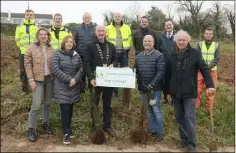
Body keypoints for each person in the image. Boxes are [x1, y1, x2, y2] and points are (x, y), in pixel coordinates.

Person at [166, 30, 215, 152]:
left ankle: (192, 144)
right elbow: (167, 75)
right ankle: (184, 139)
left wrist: (210, 85)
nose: (181, 42)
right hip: (175, 93)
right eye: (179, 40)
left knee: (189, 117)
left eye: (184, 40)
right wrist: (167, 92)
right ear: (175, 41)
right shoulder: (171, 55)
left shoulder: (195, 54)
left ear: (188, 41)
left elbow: (204, 70)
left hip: (190, 93)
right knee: (179, 117)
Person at [84, 25, 117, 137]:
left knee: (107, 104)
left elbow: (115, 60)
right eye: (99, 31)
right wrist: (91, 78)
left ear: (106, 32)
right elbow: (86, 64)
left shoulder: (111, 46)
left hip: (108, 80)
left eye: (103, 31)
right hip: (95, 81)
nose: (101, 33)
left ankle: (107, 126)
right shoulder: (90, 46)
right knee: (95, 104)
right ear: (96, 33)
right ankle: (95, 126)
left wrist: (114, 64)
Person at [51, 36, 83, 145]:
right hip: (62, 86)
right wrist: (69, 79)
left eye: (71, 42)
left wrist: (75, 79)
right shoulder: (57, 54)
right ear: (63, 43)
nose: (69, 44)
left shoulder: (76, 55)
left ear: (73, 44)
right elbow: (55, 69)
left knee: (70, 109)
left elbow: (81, 68)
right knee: (65, 109)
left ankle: (67, 129)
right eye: (67, 42)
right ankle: (66, 134)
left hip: (74, 86)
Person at [24, 28, 54, 142]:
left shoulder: (51, 49)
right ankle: (31, 128)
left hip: (49, 79)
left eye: (45, 34)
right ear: (38, 36)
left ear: (48, 36)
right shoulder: (31, 49)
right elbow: (27, 65)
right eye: (41, 34)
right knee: (36, 104)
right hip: (37, 80)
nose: (43, 36)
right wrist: (31, 80)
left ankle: (45, 123)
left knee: (47, 102)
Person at [135, 35, 165, 142]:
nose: (147, 43)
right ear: (143, 43)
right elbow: (137, 72)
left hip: (154, 89)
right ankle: (152, 131)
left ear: (153, 43)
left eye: (149, 41)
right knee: (148, 110)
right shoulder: (138, 56)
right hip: (143, 89)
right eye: (145, 41)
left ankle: (160, 133)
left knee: (156, 110)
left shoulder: (159, 55)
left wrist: (151, 85)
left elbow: (161, 72)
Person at [106, 12, 133, 97]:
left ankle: (126, 91)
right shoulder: (108, 28)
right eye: (116, 16)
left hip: (124, 52)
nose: (117, 17)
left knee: (124, 70)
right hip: (112, 53)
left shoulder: (127, 27)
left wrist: (128, 49)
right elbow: (106, 39)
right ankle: (115, 91)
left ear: (121, 18)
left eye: (119, 16)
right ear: (113, 18)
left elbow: (130, 39)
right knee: (113, 71)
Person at [196, 27, 220, 110]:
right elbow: (197, 57)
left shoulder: (216, 45)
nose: (208, 35)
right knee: (197, 89)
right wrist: (203, 67)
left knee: (211, 90)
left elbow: (217, 58)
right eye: (207, 33)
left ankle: (209, 108)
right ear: (204, 35)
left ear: (212, 35)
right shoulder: (199, 44)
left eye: (210, 34)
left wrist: (207, 67)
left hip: (212, 71)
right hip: (200, 71)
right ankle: (196, 106)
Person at [15, 9, 39, 93]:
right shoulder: (19, 26)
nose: (29, 16)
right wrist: (22, 48)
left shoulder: (37, 26)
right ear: (24, 16)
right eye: (27, 14)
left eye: (31, 14)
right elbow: (17, 39)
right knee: (23, 70)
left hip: (34, 53)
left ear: (34, 16)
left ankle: (35, 86)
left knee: (35, 69)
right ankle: (24, 87)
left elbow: (39, 39)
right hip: (23, 52)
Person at [74, 12, 97, 92]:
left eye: (88, 18)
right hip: (81, 54)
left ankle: (91, 87)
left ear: (91, 19)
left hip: (91, 54)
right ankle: (82, 89)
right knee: (81, 71)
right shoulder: (78, 29)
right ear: (83, 19)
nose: (87, 19)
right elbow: (75, 41)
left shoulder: (95, 28)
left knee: (90, 71)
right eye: (85, 18)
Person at [157, 20, 176, 104]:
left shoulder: (177, 36)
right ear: (164, 27)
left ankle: (174, 98)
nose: (168, 26)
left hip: (175, 62)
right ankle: (165, 97)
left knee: (174, 79)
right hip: (164, 62)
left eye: (170, 25)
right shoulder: (161, 37)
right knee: (164, 80)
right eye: (166, 25)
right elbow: (157, 49)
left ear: (173, 26)